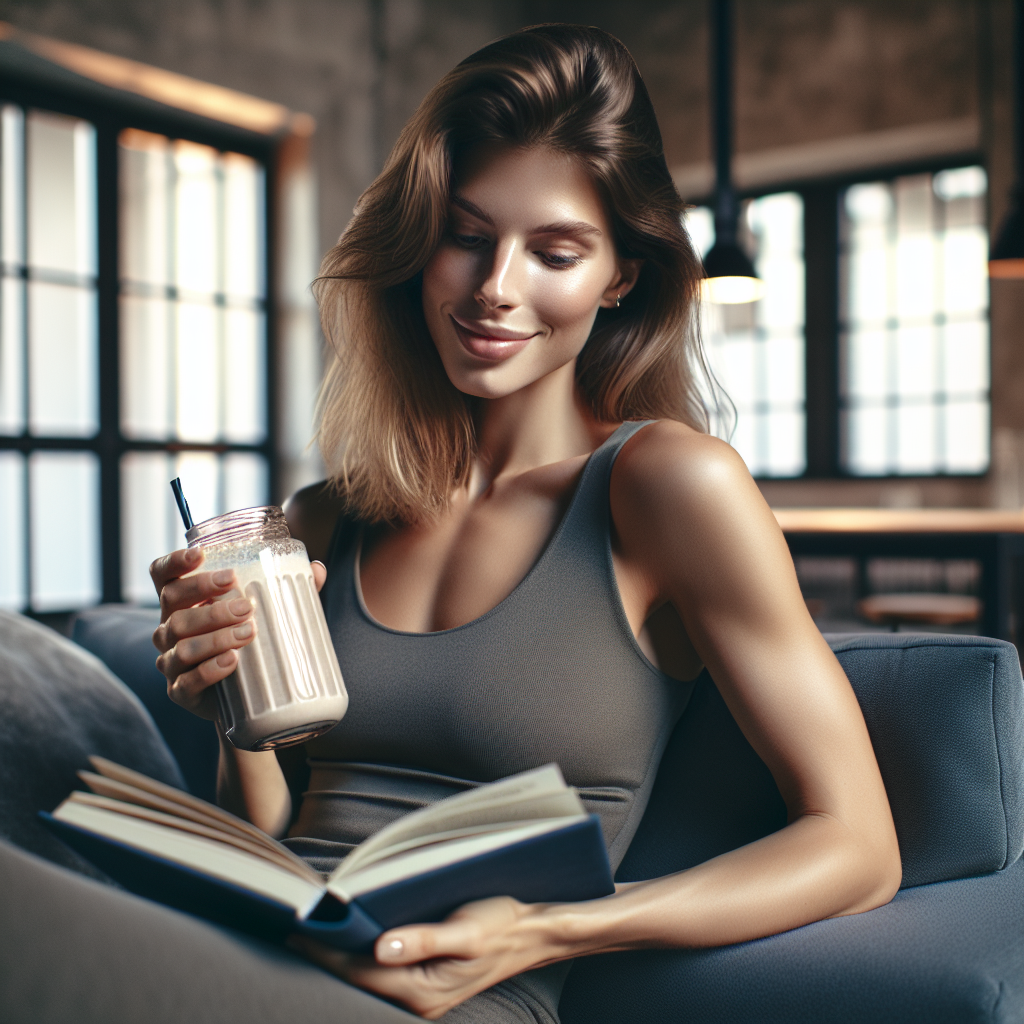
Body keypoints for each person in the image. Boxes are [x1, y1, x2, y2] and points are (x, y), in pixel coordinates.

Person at [150, 24, 901, 1023]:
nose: (495, 288)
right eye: (466, 236)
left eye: (554, 250)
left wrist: (550, 928)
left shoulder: (669, 487)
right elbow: (272, 832)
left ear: (619, 275)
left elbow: (856, 845)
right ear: (420, 245)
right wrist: (230, 707)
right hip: (246, 963)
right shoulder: (326, 517)